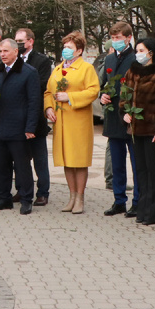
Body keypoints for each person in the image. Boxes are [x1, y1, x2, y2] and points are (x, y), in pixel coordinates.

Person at [0, 39, 40, 214]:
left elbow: (34, 102)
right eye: (1, 52)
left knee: (22, 166)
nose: (3, 55)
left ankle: (26, 198)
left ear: (16, 52)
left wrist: (30, 127)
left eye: (6, 51)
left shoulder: (28, 72)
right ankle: (4, 198)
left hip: (18, 128)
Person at [44, 30, 100, 214]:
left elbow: (93, 91)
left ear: (79, 51)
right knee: (67, 160)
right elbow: (48, 92)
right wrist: (49, 108)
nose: (65, 50)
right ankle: (71, 196)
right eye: (64, 47)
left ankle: (80, 198)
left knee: (79, 159)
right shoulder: (58, 68)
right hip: (61, 121)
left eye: (69, 47)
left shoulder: (86, 69)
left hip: (78, 120)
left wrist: (70, 96)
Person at [121, 38, 155, 225]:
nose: (138, 53)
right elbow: (125, 94)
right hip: (135, 128)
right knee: (140, 170)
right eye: (137, 50)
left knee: (152, 170)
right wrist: (125, 112)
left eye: (141, 50)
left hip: (152, 129)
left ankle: (153, 213)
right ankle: (142, 209)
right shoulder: (133, 71)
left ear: (151, 52)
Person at [98, 22, 139, 218]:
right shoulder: (109, 59)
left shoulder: (135, 59)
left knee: (136, 160)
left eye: (119, 38)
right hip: (113, 116)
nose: (116, 41)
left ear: (129, 38)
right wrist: (103, 94)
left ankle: (138, 201)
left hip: (130, 115)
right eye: (113, 38)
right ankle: (119, 200)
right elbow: (104, 84)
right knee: (117, 162)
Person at [15, 28, 52, 206]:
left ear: (30, 41)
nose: (19, 44)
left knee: (40, 159)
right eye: (16, 41)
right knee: (20, 158)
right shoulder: (14, 59)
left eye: (21, 41)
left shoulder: (42, 61)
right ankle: (22, 189)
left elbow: (42, 85)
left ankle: (43, 192)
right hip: (17, 118)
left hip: (36, 117)